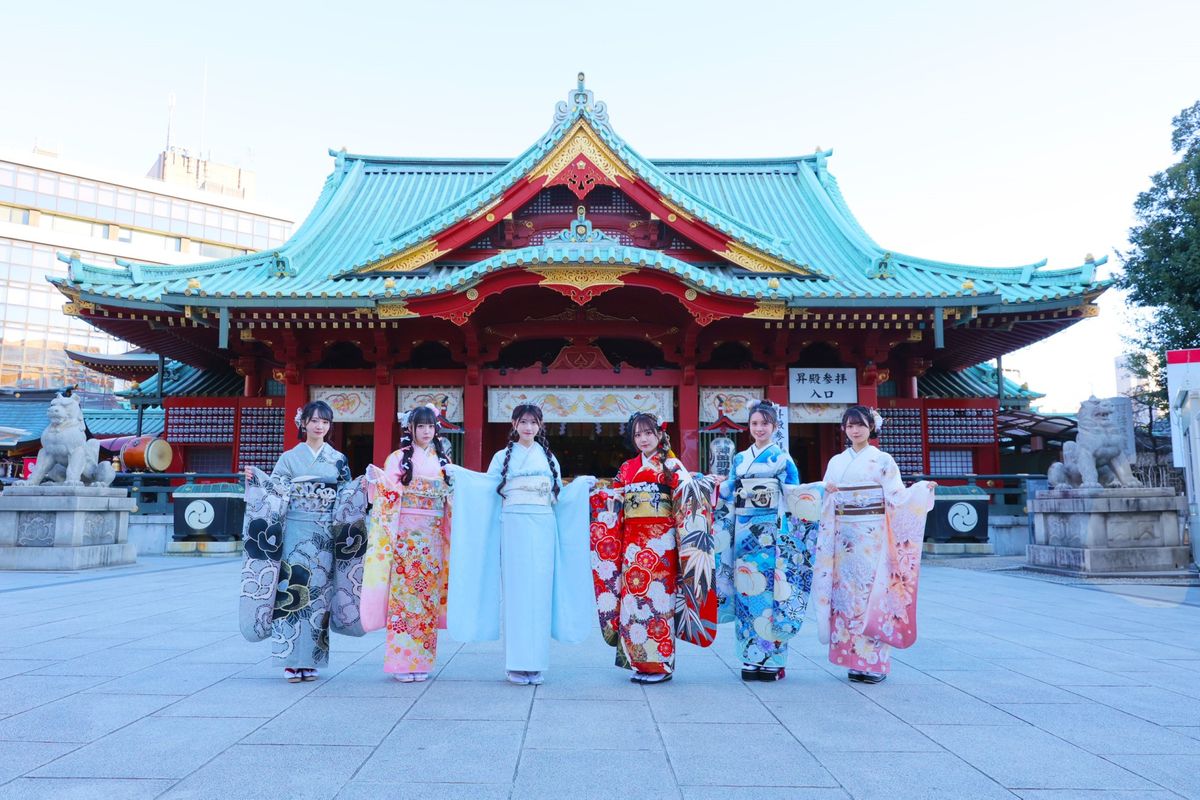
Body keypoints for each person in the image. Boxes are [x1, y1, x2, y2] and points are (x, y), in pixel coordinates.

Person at [446, 404, 595, 685]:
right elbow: (487, 489)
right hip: (513, 527)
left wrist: (579, 487)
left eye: (534, 422)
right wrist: (462, 476)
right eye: (523, 422)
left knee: (540, 595)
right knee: (516, 595)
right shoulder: (502, 457)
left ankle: (536, 663)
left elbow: (559, 498)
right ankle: (516, 663)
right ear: (514, 424)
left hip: (543, 528)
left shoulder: (548, 458)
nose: (528, 428)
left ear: (541, 426)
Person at [239, 401, 368, 683]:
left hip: (324, 534)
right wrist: (254, 478)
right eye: (314, 421)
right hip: (296, 530)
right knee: (291, 592)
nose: (319, 426)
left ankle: (311, 660)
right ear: (303, 423)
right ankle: (289, 659)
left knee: (319, 597)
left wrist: (365, 485)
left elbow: (346, 493)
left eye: (325, 421)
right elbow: (272, 491)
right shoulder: (289, 458)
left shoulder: (337, 459)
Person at [590, 412, 718, 684]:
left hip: (662, 544)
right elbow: (613, 499)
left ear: (660, 434)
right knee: (633, 602)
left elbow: (689, 496)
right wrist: (601, 494)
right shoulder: (627, 468)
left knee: (660, 602)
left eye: (648, 433)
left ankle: (660, 664)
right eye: (637, 434)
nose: (643, 439)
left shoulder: (671, 465)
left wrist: (707, 484)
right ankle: (638, 661)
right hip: (633, 544)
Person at [814, 405, 935, 684]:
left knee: (872, 594)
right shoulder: (836, 462)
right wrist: (824, 490)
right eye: (849, 425)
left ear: (871, 427)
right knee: (845, 596)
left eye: (860, 425)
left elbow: (896, 496)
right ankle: (853, 660)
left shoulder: (883, 460)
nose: (854, 430)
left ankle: (875, 662)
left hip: (872, 537)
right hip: (842, 537)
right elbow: (825, 494)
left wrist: (919, 490)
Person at [713, 400, 813, 681]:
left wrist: (817, 491)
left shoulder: (783, 458)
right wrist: (709, 484)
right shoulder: (740, 459)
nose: (759, 428)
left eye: (765, 424)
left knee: (770, 593)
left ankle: (773, 658)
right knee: (747, 591)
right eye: (755, 423)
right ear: (749, 426)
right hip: (744, 533)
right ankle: (749, 657)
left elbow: (794, 494)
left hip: (770, 534)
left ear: (775, 427)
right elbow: (729, 490)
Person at [362, 405, 453, 682]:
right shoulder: (399, 458)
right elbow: (388, 491)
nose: (426, 432)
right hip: (405, 539)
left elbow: (452, 495)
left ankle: (421, 661)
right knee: (403, 600)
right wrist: (376, 480)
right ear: (410, 429)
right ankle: (402, 663)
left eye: (430, 426)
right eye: (421, 427)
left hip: (433, 538)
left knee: (426, 600)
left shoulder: (442, 460)